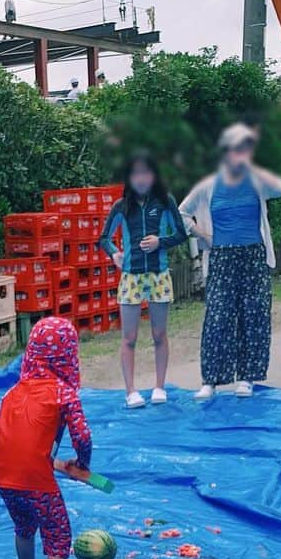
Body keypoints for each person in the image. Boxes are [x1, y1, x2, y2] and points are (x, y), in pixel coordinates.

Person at [0, 318, 92, 559]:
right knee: (58, 535)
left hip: (5, 477)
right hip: (37, 479)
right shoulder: (64, 393)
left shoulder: (13, 392)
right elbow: (83, 437)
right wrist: (82, 463)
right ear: (69, 355)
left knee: (24, 526)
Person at [180, 122, 281, 401]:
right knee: (218, 317)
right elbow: (182, 212)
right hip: (221, 257)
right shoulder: (208, 186)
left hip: (253, 255)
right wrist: (203, 234)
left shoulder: (257, 182)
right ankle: (210, 380)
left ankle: (247, 377)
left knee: (254, 316)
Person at [98, 151, 189, 409]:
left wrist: (161, 242)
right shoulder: (121, 207)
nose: (141, 179)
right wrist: (115, 253)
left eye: (146, 173)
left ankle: (159, 386)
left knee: (160, 333)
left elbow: (181, 233)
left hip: (159, 275)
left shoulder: (165, 201)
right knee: (129, 337)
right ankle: (131, 391)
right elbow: (104, 238)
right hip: (131, 277)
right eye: (136, 173)